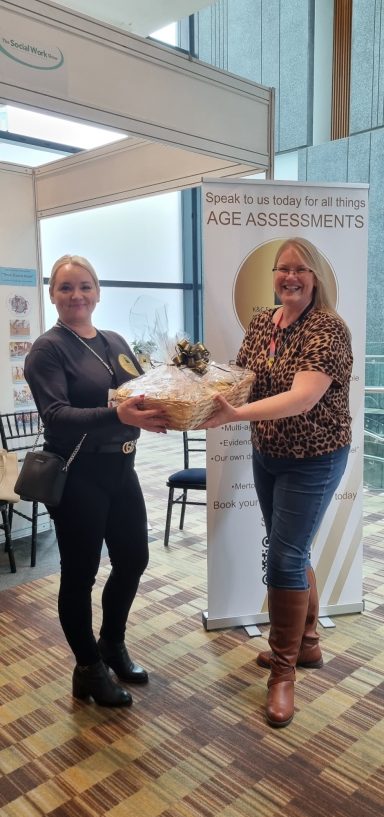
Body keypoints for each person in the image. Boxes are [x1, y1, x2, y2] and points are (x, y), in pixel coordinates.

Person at [200, 237, 353, 728]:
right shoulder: (267, 321)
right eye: (282, 269)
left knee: (285, 557)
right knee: (293, 550)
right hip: (269, 452)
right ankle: (306, 644)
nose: (290, 277)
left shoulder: (328, 328)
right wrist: (198, 381)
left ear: (316, 279)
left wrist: (234, 413)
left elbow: (302, 398)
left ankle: (283, 673)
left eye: (300, 270)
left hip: (315, 457)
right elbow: (243, 373)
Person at [24, 255, 167, 708]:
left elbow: (137, 393)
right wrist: (116, 414)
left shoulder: (114, 340)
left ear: (98, 291)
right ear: (52, 295)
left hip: (121, 468)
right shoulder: (48, 349)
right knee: (80, 574)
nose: (76, 296)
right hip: (79, 472)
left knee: (133, 559)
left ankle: (111, 646)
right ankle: (88, 667)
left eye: (84, 286)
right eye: (66, 288)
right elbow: (56, 417)